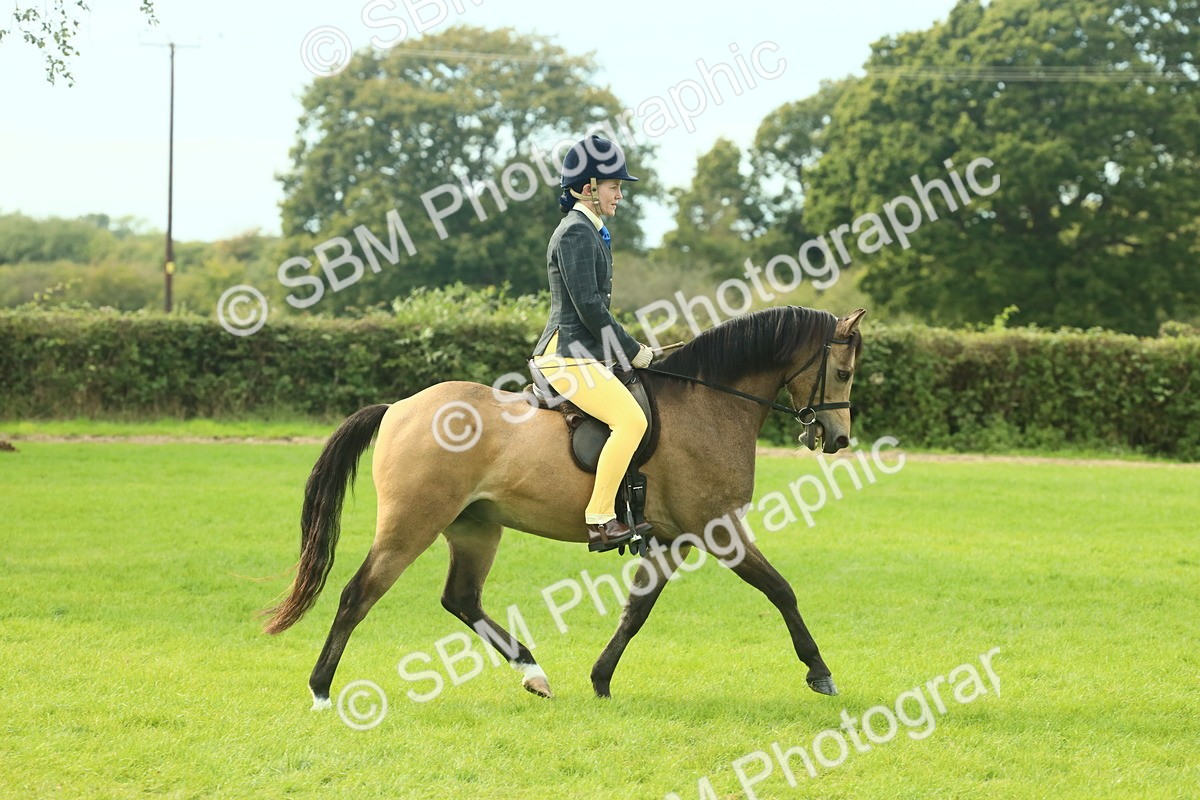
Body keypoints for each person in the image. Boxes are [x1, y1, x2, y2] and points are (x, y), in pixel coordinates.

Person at [531, 135, 654, 552]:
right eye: (613, 187)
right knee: (631, 421)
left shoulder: (591, 230)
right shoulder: (576, 233)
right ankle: (600, 518)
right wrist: (632, 350)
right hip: (567, 355)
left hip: (583, 353)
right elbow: (588, 307)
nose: (619, 195)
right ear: (588, 188)